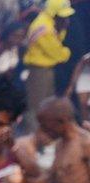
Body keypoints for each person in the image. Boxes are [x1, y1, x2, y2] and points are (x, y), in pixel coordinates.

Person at [22, 0, 75, 131]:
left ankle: (43, 138)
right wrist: (66, 51)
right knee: (36, 107)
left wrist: (61, 31)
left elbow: (58, 43)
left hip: (46, 70)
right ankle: (32, 138)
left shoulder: (48, 22)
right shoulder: (44, 28)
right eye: (63, 16)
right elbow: (59, 55)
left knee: (46, 106)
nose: (66, 18)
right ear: (53, 13)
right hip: (39, 71)